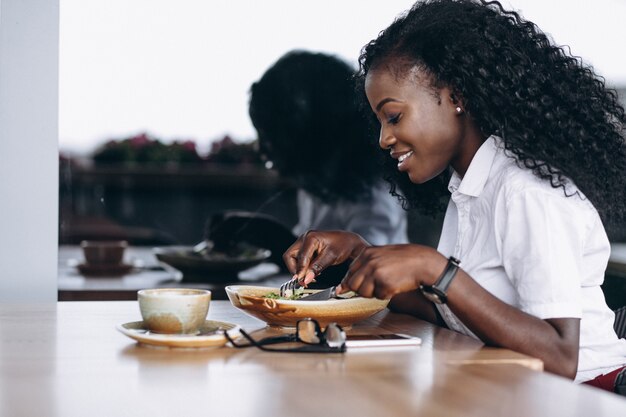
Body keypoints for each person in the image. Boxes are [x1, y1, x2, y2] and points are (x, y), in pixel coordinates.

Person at [284, 0, 626, 393]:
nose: (383, 139)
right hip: (509, 388)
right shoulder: (469, 187)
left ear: (457, 96)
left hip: (586, 394)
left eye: (393, 117)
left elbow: (561, 358)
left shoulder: (526, 193)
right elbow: (456, 312)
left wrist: (435, 270)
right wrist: (361, 260)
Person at [209, 50, 408, 282]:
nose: (262, 148)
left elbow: (367, 273)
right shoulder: (317, 187)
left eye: (270, 136)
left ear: (306, 135)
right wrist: (259, 232)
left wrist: (272, 236)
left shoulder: (374, 196)